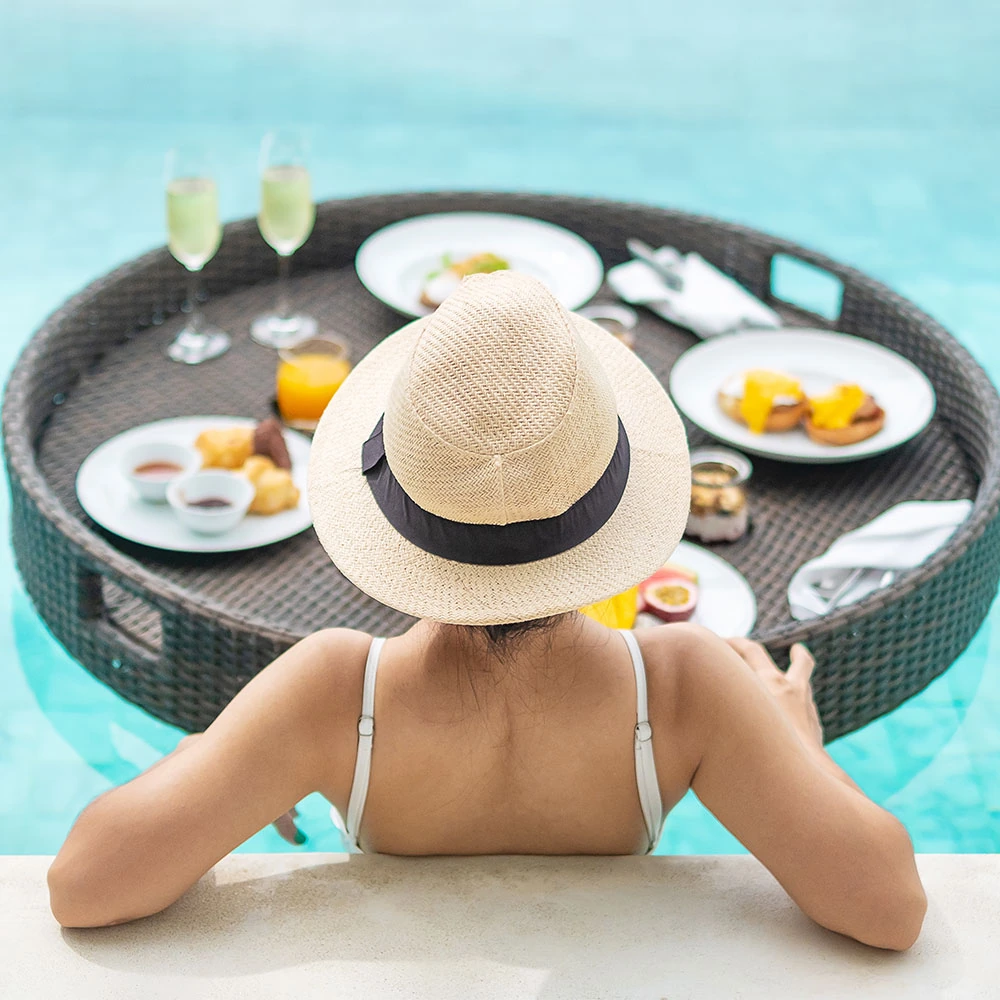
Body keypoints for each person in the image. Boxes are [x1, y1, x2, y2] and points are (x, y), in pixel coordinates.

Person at [47, 272, 926, 949]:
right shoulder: (685, 685)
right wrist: (804, 751)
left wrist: (218, 755)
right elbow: (887, 909)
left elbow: (83, 886)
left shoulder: (331, 692)